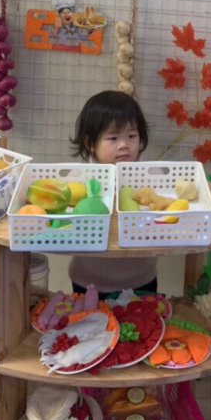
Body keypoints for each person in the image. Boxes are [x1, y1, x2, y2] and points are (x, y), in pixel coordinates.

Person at [68, 91, 158, 295]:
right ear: (90, 143)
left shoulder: (150, 178)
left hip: (142, 280)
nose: (124, 145)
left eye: (132, 136)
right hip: (87, 282)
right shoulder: (78, 179)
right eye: (113, 138)